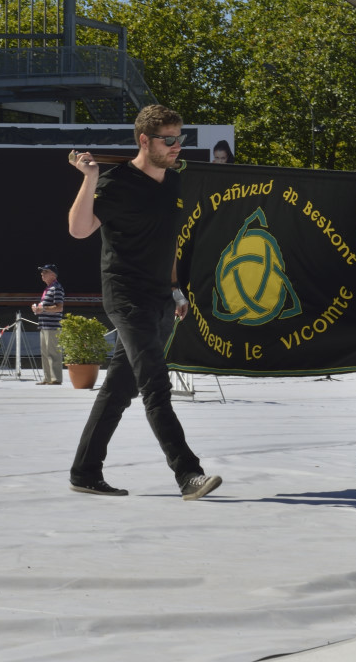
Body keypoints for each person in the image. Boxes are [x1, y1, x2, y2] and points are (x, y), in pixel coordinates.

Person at [66, 104, 222, 500]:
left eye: (179, 139)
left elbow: (166, 243)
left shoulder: (172, 184)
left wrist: (174, 288)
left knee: (119, 390)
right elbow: (79, 229)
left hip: (159, 296)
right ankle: (188, 473)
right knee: (156, 383)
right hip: (125, 295)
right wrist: (89, 178)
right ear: (144, 140)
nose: (176, 147)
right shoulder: (115, 182)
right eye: (168, 140)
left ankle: (85, 470)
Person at [32, 263, 64, 385]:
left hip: (53, 326)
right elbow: (46, 307)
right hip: (44, 325)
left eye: (45, 272)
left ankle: (55, 378)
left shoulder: (57, 288)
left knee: (53, 353)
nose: (42, 274)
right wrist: (37, 309)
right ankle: (48, 378)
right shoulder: (48, 288)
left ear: (52, 274)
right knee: (45, 354)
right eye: (42, 272)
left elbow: (59, 308)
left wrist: (43, 309)